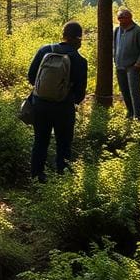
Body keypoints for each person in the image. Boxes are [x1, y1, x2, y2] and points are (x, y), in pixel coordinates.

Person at [27, 21, 88, 182]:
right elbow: (80, 94)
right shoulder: (80, 60)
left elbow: (31, 76)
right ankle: (62, 179)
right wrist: (66, 97)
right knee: (64, 144)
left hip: (40, 104)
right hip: (64, 108)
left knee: (40, 141)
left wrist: (43, 91)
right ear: (78, 38)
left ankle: (36, 177)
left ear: (63, 35)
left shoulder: (45, 50)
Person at [113, 7, 140, 120]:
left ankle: (139, 116)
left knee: (135, 92)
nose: (120, 20)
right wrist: (115, 59)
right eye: (119, 18)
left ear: (130, 18)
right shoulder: (116, 30)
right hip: (120, 66)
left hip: (132, 67)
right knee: (124, 92)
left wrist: (138, 64)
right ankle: (130, 113)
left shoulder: (138, 31)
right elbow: (115, 46)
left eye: (123, 18)